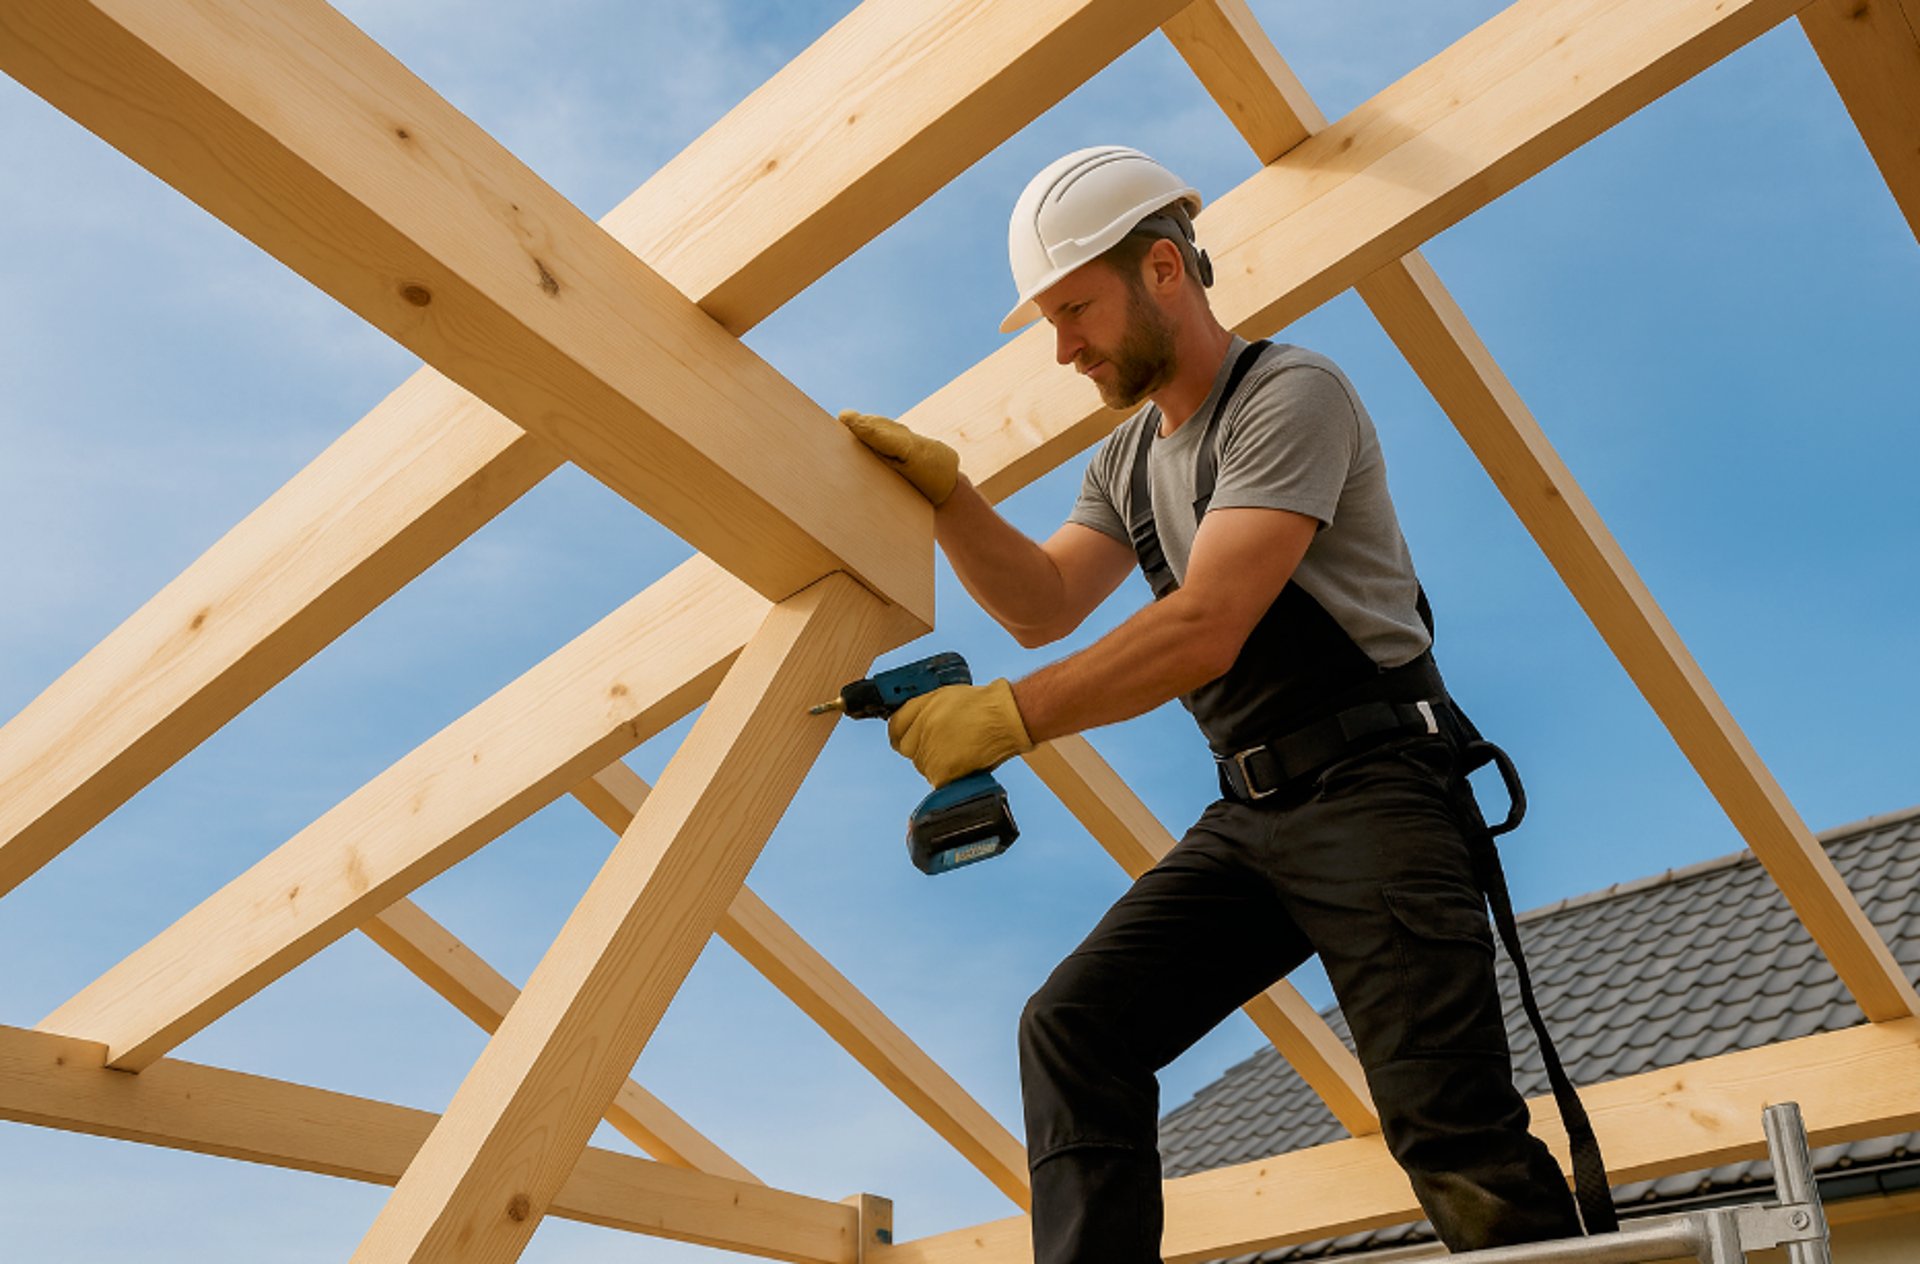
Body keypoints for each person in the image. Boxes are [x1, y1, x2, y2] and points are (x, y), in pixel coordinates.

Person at [838, 146, 1583, 1264]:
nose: (1063, 347)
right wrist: (953, 498)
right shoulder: (1129, 461)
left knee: (1449, 1129)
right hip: (1256, 812)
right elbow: (1044, 604)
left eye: (1077, 309)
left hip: (1376, 791)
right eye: (1049, 318)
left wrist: (1007, 719)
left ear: (1165, 271)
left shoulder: (1292, 394)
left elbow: (1209, 622)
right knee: (1075, 1026)